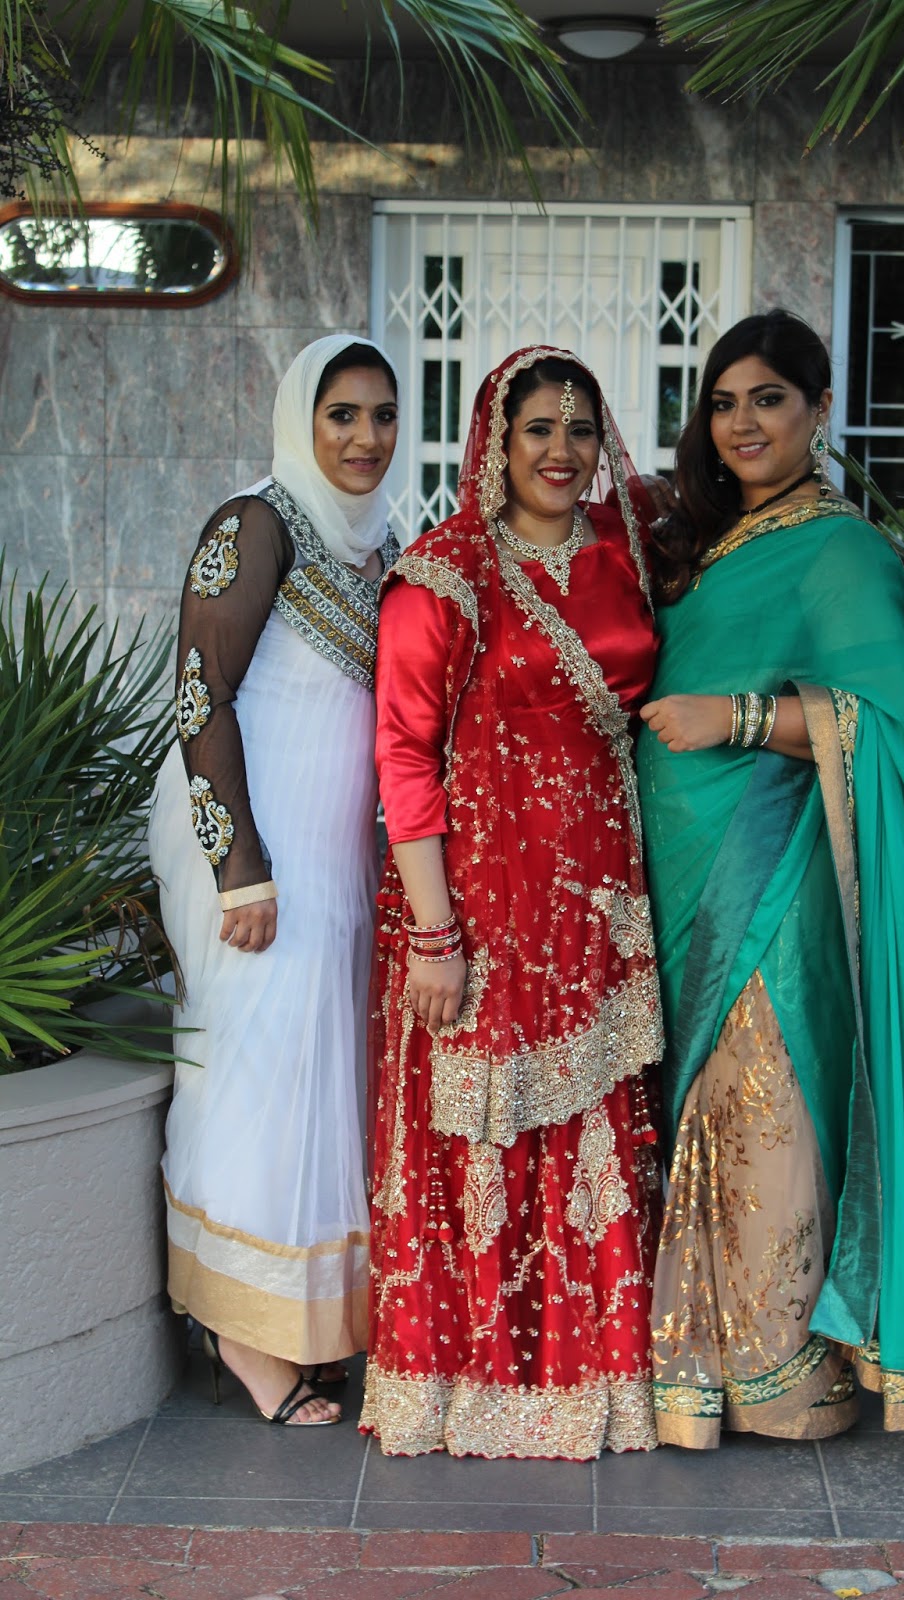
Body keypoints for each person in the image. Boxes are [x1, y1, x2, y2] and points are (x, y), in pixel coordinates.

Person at [637, 309, 904, 1449]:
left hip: (774, 872)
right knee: (699, 1110)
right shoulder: (709, 539)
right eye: (724, 402)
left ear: (819, 409)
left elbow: (885, 728)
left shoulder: (843, 551)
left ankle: (779, 1369)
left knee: (760, 1103)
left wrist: (731, 717)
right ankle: (700, 1369)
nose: (743, 423)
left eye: (768, 399)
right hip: (681, 876)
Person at [360, 347, 663, 1459]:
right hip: (481, 909)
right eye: (538, 427)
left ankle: (595, 1385)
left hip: (597, 906)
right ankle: (470, 1385)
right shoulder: (443, 576)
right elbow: (404, 757)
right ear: (496, 439)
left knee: (589, 1132)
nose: (561, 451)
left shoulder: (622, 553)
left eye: (581, 429)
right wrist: (434, 935)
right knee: (482, 1135)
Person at [148, 334, 401, 1427]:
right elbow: (199, 692)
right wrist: (238, 867)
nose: (364, 436)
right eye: (341, 413)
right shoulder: (253, 522)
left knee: (316, 1079)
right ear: (301, 416)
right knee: (253, 1072)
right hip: (254, 856)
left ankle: (297, 1318)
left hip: (335, 857)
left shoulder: (378, 541)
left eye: (383, 414)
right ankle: (242, 1335)